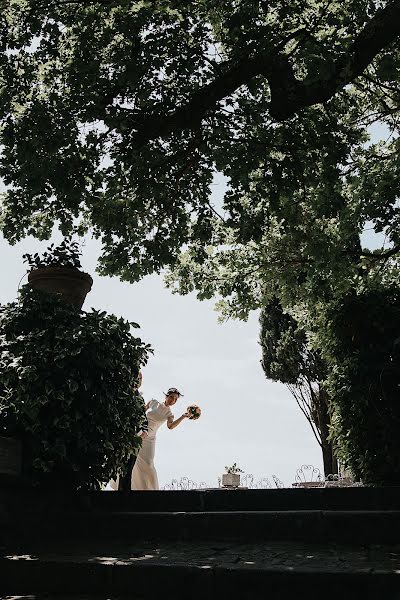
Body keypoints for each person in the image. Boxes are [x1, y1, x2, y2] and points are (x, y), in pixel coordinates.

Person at [131, 387, 188, 490]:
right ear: (166, 396)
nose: (172, 400)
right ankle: (134, 487)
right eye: (171, 397)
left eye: (175, 399)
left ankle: (151, 490)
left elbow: (170, 426)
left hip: (150, 440)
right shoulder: (153, 402)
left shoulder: (169, 414)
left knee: (148, 463)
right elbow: (140, 413)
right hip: (140, 433)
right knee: (134, 462)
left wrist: (183, 417)